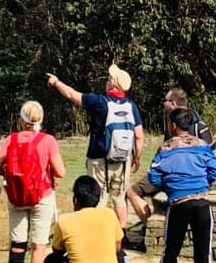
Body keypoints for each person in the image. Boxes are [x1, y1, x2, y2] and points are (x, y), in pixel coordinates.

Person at [0, 101, 66, 263]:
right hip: (42, 196)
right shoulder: (47, 140)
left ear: (20, 120)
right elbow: (61, 172)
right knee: (38, 246)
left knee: (17, 244)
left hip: (16, 198)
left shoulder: (10, 140)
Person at [47, 65, 145, 227]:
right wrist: (137, 157)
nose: (106, 81)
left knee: (98, 198)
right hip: (123, 160)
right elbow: (139, 135)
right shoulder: (131, 106)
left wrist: (56, 82)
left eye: (108, 79)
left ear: (113, 84)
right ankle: (120, 234)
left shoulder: (100, 102)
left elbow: (72, 94)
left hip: (99, 160)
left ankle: (96, 232)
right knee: (119, 198)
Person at [41, 176, 139, 263]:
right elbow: (117, 249)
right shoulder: (109, 214)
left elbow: (57, 253)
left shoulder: (64, 221)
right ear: (98, 198)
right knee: (123, 255)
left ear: (75, 200)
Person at [144, 108, 216, 263]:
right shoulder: (202, 146)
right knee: (203, 248)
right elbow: (215, 171)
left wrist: (170, 186)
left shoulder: (165, 148)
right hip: (202, 202)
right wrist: (202, 184)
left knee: (171, 247)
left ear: (172, 125)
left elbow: (154, 176)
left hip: (178, 203)